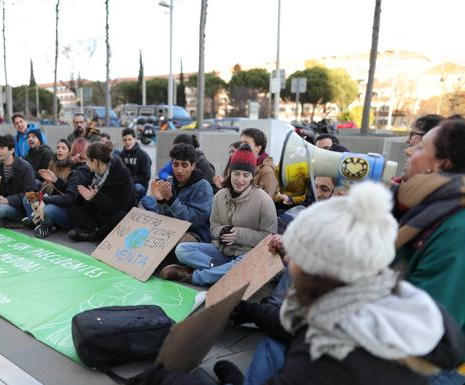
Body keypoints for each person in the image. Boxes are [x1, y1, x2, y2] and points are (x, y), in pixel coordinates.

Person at [211, 182, 465, 385]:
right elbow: (300, 326)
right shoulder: (388, 304)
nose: (288, 258)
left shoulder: (324, 357)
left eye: (298, 253)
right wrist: (253, 312)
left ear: (319, 268)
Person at [162, 144, 276, 285]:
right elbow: (214, 225)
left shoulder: (264, 201)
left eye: (246, 175)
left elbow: (268, 238)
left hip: (246, 254)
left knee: (242, 265)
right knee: (182, 249)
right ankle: (221, 272)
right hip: (221, 251)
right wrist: (221, 231)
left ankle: (194, 276)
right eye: (236, 174)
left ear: (252, 176)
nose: (240, 180)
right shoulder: (220, 196)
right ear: (230, 172)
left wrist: (239, 234)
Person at [394, 119, 465, 338]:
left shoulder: (457, 229)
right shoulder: (428, 208)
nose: (409, 151)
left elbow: (428, 324)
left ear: (442, 164)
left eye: (420, 147)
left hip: (427, 361)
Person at [67, 142, 136, 242]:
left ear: (94, 162)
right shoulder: (94, 173)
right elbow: (85, 197)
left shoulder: (122, 175)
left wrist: (96, 197)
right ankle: (95, 230)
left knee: (121, 215)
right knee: (74, 210)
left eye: (87, 160)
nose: (86, 163)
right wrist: (87, 198)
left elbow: (119, 208)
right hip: (100, 214)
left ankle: (95, 236)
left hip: (115, 215)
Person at [25, 139, 91, 238]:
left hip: (74, 213)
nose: (59, 150)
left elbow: (69, 198)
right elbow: (68, 188)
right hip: (66, 205)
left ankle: (45, 224)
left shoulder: (78, 171)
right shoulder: (56, 164)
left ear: (73, 152)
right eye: (58, 148)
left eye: (63, 148)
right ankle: (38, 221)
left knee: (47, 209)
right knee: (27, 198)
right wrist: (55, 180)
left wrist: (44, 198)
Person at [240, 128, 279, 197]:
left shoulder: (267, 171)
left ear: (258, 148)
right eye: (241, 143)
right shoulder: (241, 164)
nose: (241, 146)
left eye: (246, 143)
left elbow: (266, 201)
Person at [120, 128, 152, 200]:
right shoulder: (121, 155)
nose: (127, 142)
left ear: (135, 139)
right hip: (125, 182)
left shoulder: (143, 155)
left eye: (129, 139)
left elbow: (145, 177)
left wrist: (129, 180)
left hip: (139, 185)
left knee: (135, 188)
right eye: (125, 140)